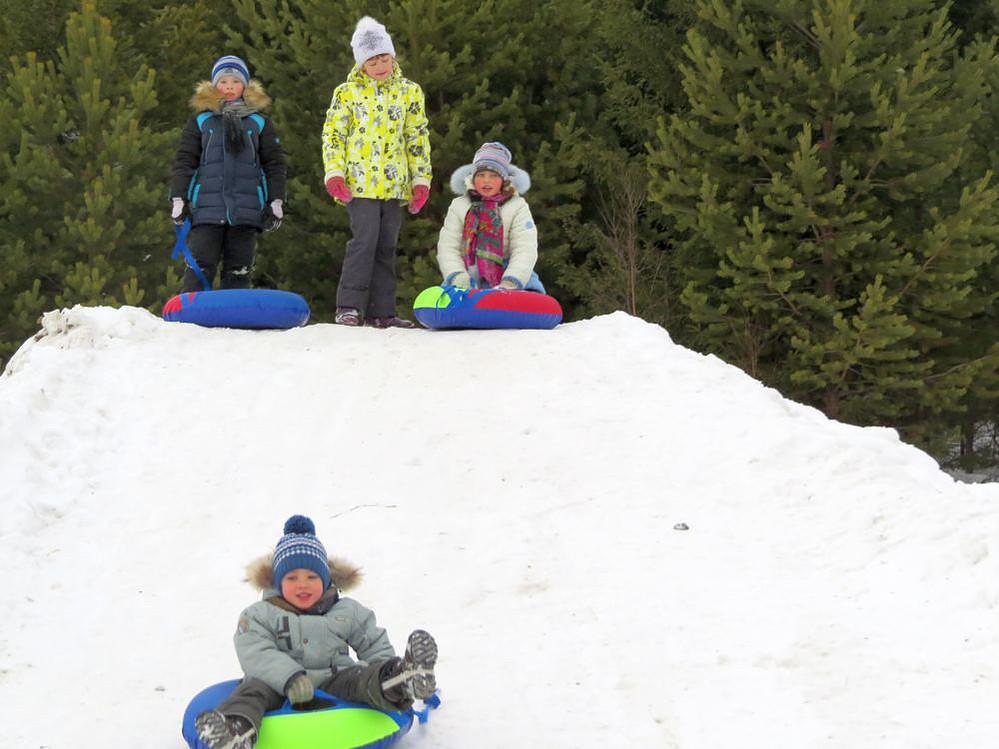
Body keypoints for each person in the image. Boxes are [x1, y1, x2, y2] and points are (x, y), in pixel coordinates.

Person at [194, 515, 438, 749]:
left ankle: (403, 680)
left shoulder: (346, 611)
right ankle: (235, 734)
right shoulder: (259, 614)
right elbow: (255, 651)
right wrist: (289, 677)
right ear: (278, 583)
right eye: (292, 577)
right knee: (251, 691)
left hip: (335, 679)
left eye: (312, 576)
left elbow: (373, 643)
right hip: (275, 685)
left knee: (363, 679)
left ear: (325, 579)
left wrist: (382, 668)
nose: (303, 584)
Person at [321, 16, 432, 328]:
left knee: (386, 244)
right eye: (372, 61)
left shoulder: (409, 92)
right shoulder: (347, 93)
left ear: (392, 57)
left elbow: (417, 137)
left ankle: (382, 311)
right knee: (364, 239)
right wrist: (335, 174)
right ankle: (349, 306)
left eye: (384, 58)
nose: (380, 66)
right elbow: (334, 135)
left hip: (394, 184)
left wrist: (421, 181)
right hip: (359, 184)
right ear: (361, 65)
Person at [169, 55, 287, 293]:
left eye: (235, 81)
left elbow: (273, 164)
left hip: (246, 210)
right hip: (206, 210)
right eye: (224, 82)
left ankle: (235, 321)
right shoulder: (202, 121)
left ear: (245, 86)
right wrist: (179, 198)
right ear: (214, 86)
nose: (230, 87)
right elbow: (185, 161)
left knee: (239, 268)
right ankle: (189, 319)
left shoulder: (259, 123)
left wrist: (276, 201)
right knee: (200, 265)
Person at [436, 142, 546, 294]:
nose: (486, 181)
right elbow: (448, 247)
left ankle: (519, 300)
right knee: (447, 297)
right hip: (468, 273)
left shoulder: (517, 206)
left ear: (504, 180)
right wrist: (458, 276)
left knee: (529, 292)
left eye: (493, 176)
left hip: (509, 272)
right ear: (473, 178)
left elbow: (525, 248)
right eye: (481, 175)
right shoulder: (459, 206)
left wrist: (511, 280)